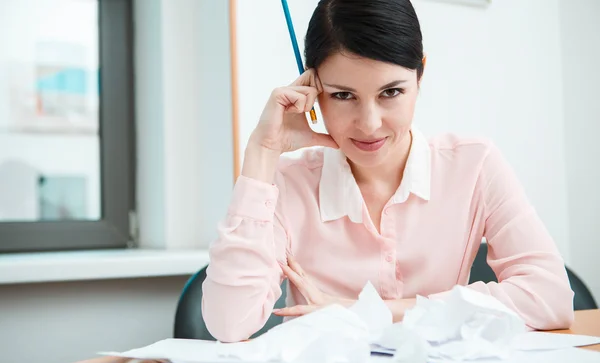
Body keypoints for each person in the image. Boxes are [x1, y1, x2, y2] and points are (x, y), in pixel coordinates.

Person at [202, 0, 574, 342]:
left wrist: (369, 313)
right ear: (312, 91)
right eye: (343, 95)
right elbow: (229, 324)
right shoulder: (286, 182)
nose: (369, 123)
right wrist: (262, 153)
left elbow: (550, 296)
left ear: (420, 76)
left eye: (391, 92)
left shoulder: (474, 165)